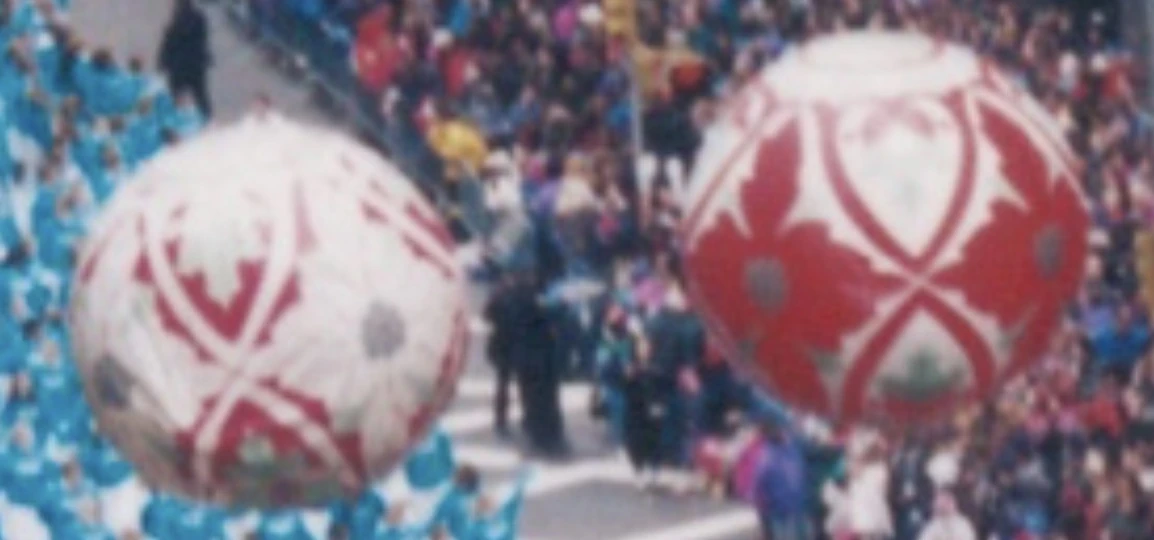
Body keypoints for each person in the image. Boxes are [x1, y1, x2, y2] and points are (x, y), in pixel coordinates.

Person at [158, 0, 211, 118]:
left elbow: (169, 44)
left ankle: (178, 118)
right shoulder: (199, 19)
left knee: (177, 94)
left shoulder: (175, 23)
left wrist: (163, 61)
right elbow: (203, 41)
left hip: (179, 66)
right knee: (199, 93)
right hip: (195, 63)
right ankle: (205, 117)